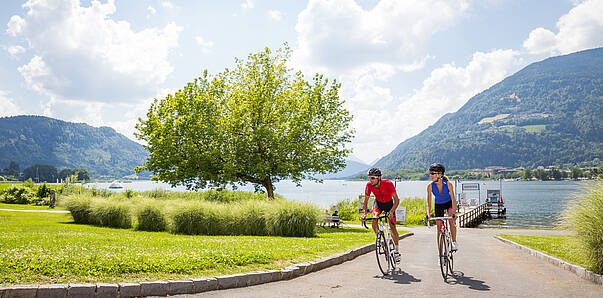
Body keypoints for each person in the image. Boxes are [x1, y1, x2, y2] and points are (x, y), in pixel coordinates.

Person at [361, 168, 401, 262]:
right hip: (378, 203)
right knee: (374, 217)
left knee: (393, 228)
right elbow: (365, 201)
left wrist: (392, 211)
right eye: (370, 178)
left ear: (379, 178)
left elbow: (397, 200)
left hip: (389, 205)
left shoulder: (388, 184)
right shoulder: (369, 185)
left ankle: (396, 251)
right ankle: (378, 237)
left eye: (373, 178)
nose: (370, 180)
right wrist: (364, 214)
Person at [425, 163, 458, 252]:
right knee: (439, 229)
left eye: (433, 173)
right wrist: (428, 214)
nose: (431, 175)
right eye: (430, 173)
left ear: (440, 174)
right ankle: (440, 253)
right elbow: (428, 202)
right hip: (438, 205)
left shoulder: (448, 184)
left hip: (448, 203)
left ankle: (454, 242)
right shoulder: (430, 186)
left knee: (451, 218)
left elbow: (453, 199)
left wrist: (454, 211)